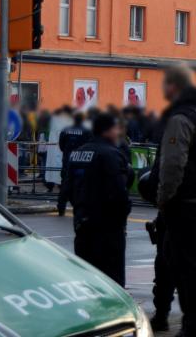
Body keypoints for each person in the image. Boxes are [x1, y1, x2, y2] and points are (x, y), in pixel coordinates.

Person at [155, 65, 196, 337]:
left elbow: (172, 165)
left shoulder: (181, 118)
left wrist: (163, 199)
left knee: (186, 266)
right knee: (195, 264)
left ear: (173, 87)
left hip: (186, 201)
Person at [63, 113, 132, 286]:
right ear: (108, 130)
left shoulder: (78, 153)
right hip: (107, 228)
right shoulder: (111, 154)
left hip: (82, 224)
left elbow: (68, 188)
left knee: (87, 278)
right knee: (111, 281)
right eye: (116, 128)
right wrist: (122, 217)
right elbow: (119, 193)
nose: (118, 132)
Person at [57, 112, 93, 216]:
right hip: (81, 161)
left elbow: (61, 145)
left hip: (68, 160)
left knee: (65, 184)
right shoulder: (87, 131)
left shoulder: (65, 130)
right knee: (81, 185)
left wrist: (68, 153)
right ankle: (80, 208)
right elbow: (89, 145)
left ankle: (61, 207)